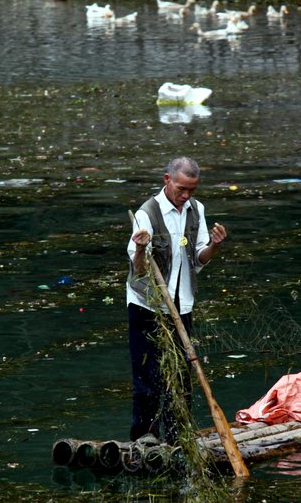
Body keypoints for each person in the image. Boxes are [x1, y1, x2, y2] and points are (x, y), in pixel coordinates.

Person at [126, 156, 228, 443]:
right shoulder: (146, 214)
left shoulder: (197, 211)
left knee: (181, 380)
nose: (185, 196)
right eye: (181, 189)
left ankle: (176, 438)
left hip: (181, 305)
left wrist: (214, 246)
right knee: (147, 378)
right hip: (148, 306)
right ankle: (144, 438)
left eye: (192, 191)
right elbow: (138, 271)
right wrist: (140, 249)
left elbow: (197, 258)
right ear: (166, 180)